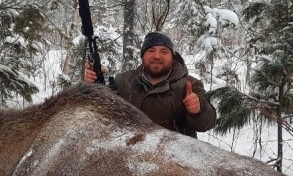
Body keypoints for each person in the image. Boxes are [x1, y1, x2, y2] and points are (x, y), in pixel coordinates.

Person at [84, 32, 216, 138]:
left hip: (176, 162)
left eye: (164, 51)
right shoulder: (123, 81)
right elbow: (101, 116)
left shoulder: (190, 85)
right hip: (131, 156)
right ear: (142, 55)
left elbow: (206, 124)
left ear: (172, 57)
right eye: (151, 50)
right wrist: (91, 87)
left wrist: (199, 110)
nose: (157, 56)